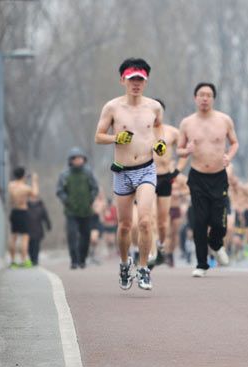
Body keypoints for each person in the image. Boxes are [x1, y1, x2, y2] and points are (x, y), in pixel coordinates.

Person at [94, 57, 165, 290]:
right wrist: (116, 138)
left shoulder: (154, 107)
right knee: (124, 225)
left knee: (145, 221)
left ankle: (144, 268)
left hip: (146, 169)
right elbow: (98, 136)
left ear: (146, 81)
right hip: (123, 171)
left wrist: (159, 144)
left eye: (140, 80)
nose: (136, 84)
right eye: (132, 79)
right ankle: (125, 264)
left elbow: (158, 129)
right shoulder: (112, 107)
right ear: (122, 80)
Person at [177, 82, 239, 277]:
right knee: (199, 221)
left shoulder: (224, 120)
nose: (205, 98)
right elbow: (178, 149)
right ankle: (202, 264)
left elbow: (235, 142)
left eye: (208, 95)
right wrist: (185, 151)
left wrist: (229, 156)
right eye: (201, 94)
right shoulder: (187, 123)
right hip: (197, 177)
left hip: (219, 176)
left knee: (219, 222)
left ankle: (216, 243)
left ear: (213, 98)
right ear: (195, 98)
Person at [152, 98, 185, 267]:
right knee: (149, 217)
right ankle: (149, 250)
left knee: (162, 222)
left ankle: (160, 246)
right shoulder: (142, 131)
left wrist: (177, 170)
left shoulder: (172, 132)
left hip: (165, 178)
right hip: (147, 176)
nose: (155, 115)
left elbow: (184, 152)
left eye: (159, 111)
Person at [56, 147, 99, 270]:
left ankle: (82, 259)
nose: (79, 160)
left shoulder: (88, 173)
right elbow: (59, 191)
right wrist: (66, 200)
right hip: (71, 212)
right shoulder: (65, 174)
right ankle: (74, 260)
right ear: (71, 160)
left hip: (86, 211)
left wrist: (90, 199)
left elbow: (95, 188)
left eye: (81, 158)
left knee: (85, 236)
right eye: (76, 158)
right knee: (72, 235)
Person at [8, 167, 39, 268]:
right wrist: (34, 180)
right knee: (25, 238)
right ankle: (23, 260)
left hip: (14, 211)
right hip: (23, 212)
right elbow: (35, 194)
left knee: (13, 237)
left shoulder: (11, 185)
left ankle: (12, 261)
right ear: (23, 175)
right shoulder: (25, 188)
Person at [27, 192, 51, 266]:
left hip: (38, 230)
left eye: (34, 198)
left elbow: (46, 217)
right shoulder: (26, 206)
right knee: (29, 246)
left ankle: (35, 260)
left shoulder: (41, 206)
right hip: (28, 229)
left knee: (36, 245)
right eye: (32, 197)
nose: (33, 199)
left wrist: (48, 225)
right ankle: (31, 259)